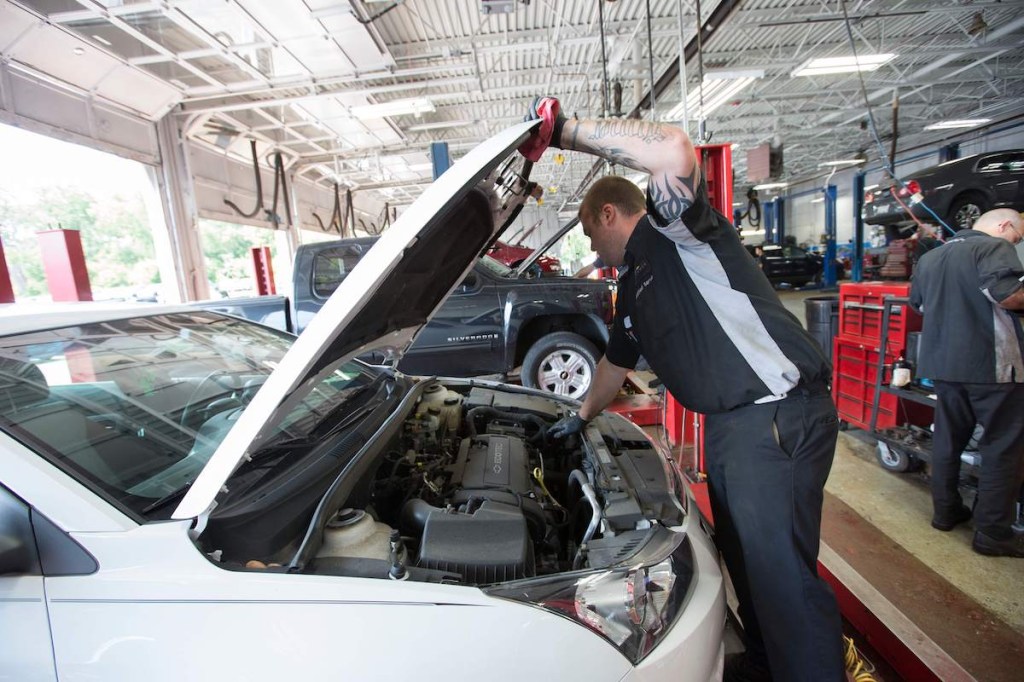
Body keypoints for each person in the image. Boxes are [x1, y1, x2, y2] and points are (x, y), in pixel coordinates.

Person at [522, 98, 844, 681]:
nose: (594, 252)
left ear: (614, 214)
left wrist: (565, 132)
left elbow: (672, 149)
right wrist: (578, 415)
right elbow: (614, 366)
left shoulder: (679, 235)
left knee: (782, 582)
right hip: (734, 429)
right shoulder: (633, 283)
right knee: (748, 570)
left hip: (773, 417)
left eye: (594, 237)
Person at [909, 208, 1024, 558]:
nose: (1015, 243)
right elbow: (1008, 294)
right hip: (991, 366)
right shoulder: (992, 248)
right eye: (1017, 237)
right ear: (1004, 226)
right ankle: (992, 534)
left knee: (948, 440)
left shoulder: (930, 259)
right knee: (1003, 448)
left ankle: (946, 512)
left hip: (942, 367)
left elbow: (918, 304)